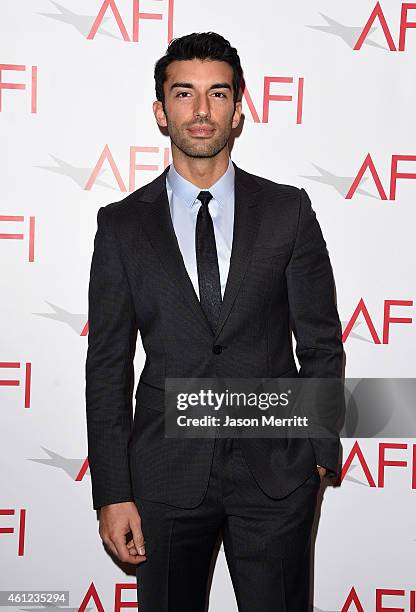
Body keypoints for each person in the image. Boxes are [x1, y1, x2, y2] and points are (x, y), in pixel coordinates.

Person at [85, 31, 345, 612]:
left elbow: (322, 342)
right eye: (184, 94)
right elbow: (106, 364)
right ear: (161, 111)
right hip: (164, 476)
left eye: (218, 94)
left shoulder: (289, 211)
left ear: (238, 110)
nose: (201, 111)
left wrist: (320, 447)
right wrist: (113, 491)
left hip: (277, 474)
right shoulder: (122, 225)